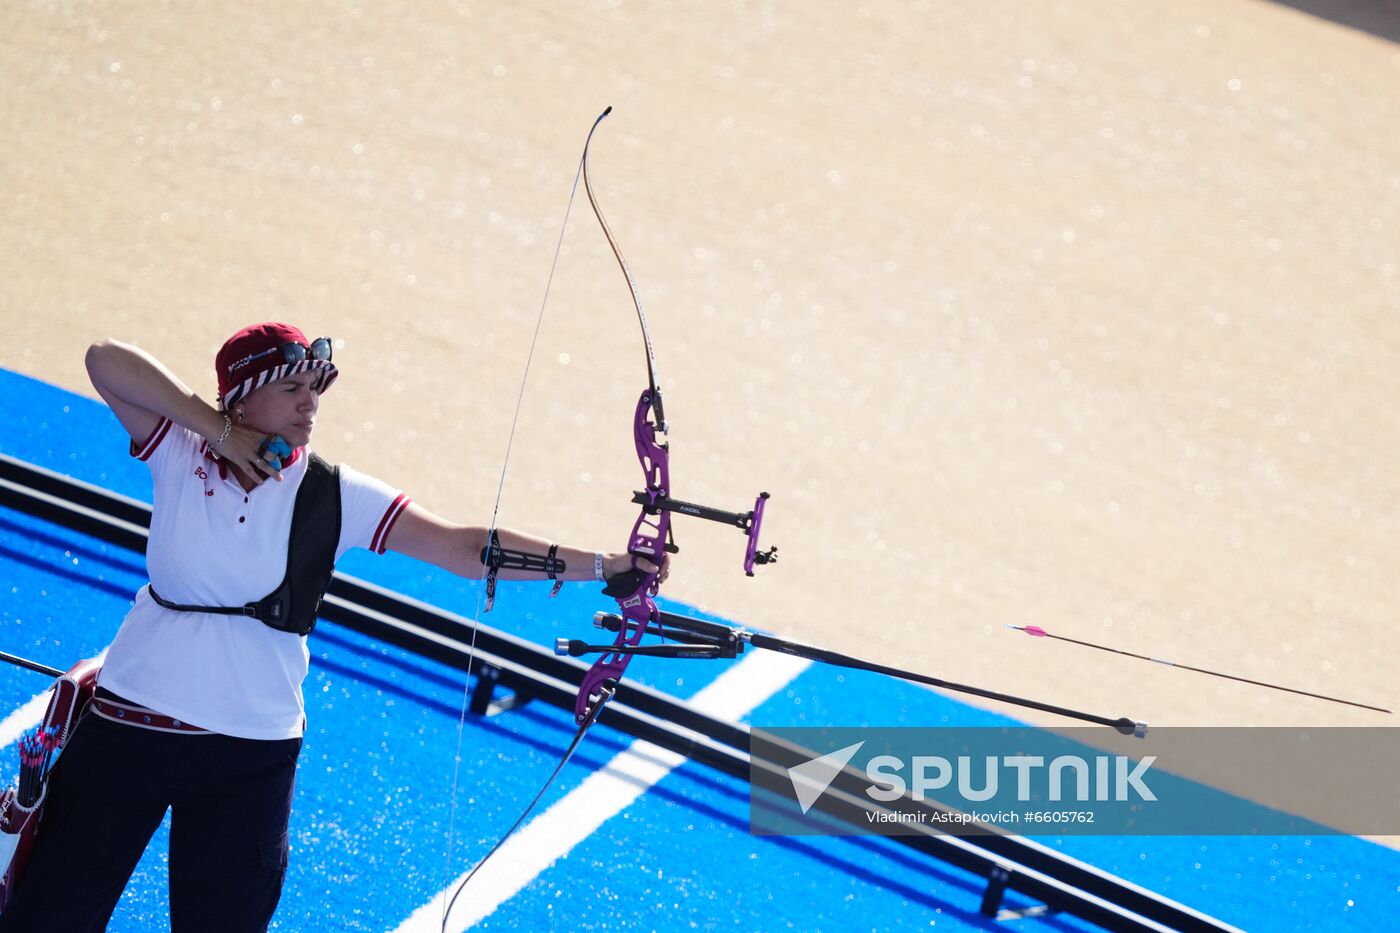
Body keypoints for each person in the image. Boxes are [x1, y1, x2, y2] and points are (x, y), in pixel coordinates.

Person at [0, 322, 658, 932]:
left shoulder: (335, 493)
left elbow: (462, 548)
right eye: (291, 388)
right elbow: (103, 360)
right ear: (241, 397)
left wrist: (607, 564)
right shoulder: (182, 449)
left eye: (315, 390)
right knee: (46, 916)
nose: (309, 404)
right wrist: (215, 427)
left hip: (248, 755)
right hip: (130, 730)